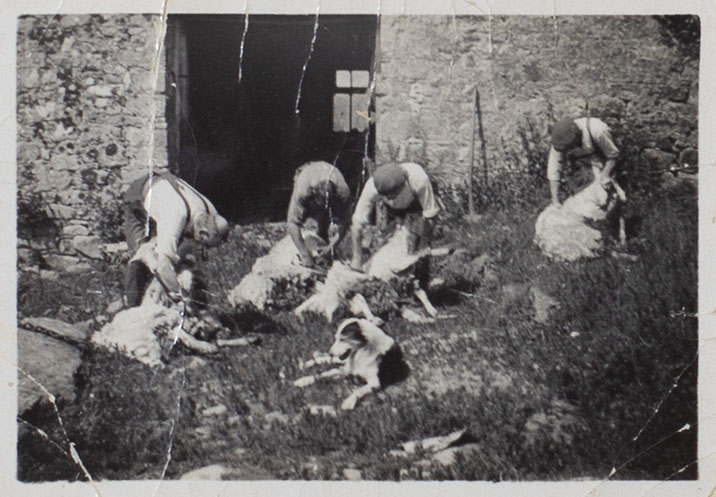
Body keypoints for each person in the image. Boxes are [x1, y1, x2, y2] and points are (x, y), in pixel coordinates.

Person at [122, 172, 229, 307]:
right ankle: (133, 309)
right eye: (205, 245)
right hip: (139, 197)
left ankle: (172, 305)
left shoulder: (209, 211)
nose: (204, 250)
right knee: (142, 258)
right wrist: (181, 296)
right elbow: (162, 266)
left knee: (176, 260)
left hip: (165, 194)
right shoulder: (175, 217)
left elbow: (184, 250)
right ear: (203, 233)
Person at [350, 162, 440, 270]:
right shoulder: (371, 188)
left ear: (403, 185)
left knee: (418, 248)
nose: (390, 199)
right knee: (387, 240)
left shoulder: (419, 179)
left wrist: (424, 244)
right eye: (387, 197)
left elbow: (430, 213)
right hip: (393, 210)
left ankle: (420, 282)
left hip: (416, 205)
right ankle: (386, 278)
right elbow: (357, 223)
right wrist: (357, 257)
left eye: (393, 195)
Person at [286, 161, 352, 268]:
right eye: (321, 201)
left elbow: (345, 222)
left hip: (330, 172)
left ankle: (323, 248)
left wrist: (331, 247)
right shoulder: (303, 189)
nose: (324, 205)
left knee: (324, 222)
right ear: (314, 195)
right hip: (308, 171)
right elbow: (292, 223)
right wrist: (305, 255)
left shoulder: (343, 192)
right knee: (301, 219)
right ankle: (308, 249)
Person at [547, 117, 620, 206]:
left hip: (604, 159)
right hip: (581, 165)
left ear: (577, 136)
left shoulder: (598, 130)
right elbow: (554, 169)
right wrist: (555, 200)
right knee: (580, 200)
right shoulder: (559, 140)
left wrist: (605, 174)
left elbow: (613, 155)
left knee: (606, 195)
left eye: (570, 147)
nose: (567, 150)